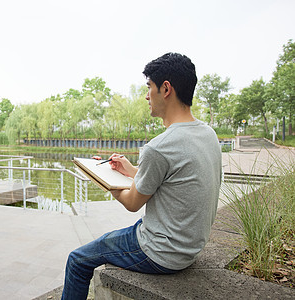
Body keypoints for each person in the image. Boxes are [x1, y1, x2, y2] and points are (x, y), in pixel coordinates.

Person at [61, 53, 222, 300]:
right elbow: (171, 180)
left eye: (149, 88)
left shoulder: (160, 146)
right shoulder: (208, 134)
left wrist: (101, 177)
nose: (147, 96)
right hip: (189, 247)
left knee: (78, 259)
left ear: (165, 89)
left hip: (161, 252)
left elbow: (132, 203)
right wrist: (129, 169)